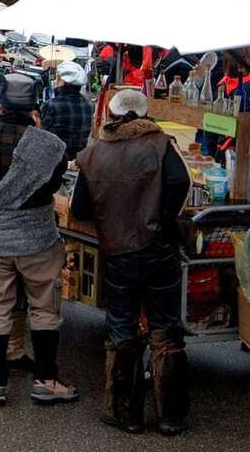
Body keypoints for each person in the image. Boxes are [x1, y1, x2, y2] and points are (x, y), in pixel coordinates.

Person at [72, 89, 192, 436]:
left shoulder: (94, 153)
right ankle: (170, 416)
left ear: (110, 113)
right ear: (144, 113)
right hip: (159, 251)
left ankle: (126, 414)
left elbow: (79, 208)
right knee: (166, 330)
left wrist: (112, 219)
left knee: (121, 329)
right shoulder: (160, 144)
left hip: (119, 253)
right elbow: (180, 181)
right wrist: (164, 220)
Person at [0, 73, 74, 406]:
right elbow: (53, 185)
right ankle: (46, 380)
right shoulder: (50, 145)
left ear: (0, 102)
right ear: (34, 105)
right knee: (45, 306)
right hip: (36, 237)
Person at [40, 61, 93, 159]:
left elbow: (42, 135)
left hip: (55, 158)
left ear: (62, 81)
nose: (55, 81)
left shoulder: (51, 105)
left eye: (57, 78)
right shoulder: (89, 104)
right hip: (78, 157)